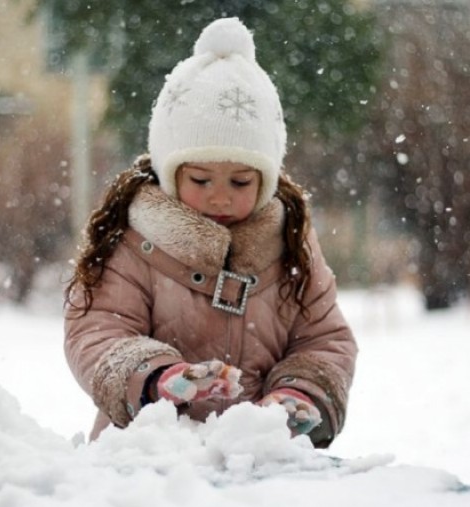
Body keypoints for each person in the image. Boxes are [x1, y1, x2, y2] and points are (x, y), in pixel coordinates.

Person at [64, 17, 357, 448]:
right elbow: (98, 330)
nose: (220, 198)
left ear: (267, 180)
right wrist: (158, 379)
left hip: (257, 462)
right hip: (145, 459)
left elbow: (324, 338)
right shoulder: (133, 244)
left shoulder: (291, 248)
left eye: (240, 182)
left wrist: (297, 395)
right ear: (170, 172)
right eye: (201, 180)